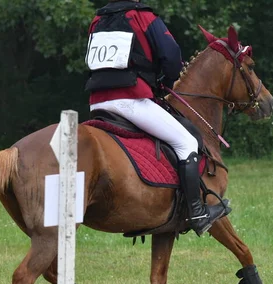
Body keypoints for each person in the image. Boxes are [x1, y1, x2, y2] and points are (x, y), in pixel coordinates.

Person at [85, 0, 230, 236]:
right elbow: (171, 56)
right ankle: (197, 213)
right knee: (187, 143)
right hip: (131, 100)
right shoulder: (144, 17)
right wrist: (165, 81)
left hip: (97, 102)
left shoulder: (97, 21)